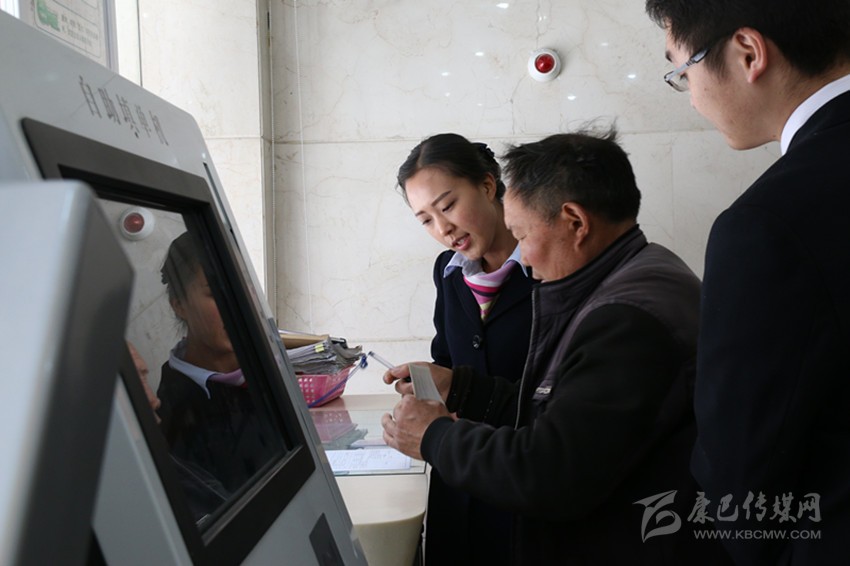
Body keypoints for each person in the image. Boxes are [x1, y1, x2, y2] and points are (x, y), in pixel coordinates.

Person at [382, 128, 730, 565]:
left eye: (524, 236)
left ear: (575, 222)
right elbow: (555, 408)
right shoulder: (636, 274)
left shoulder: (626, 318)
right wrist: (462, 388)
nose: (524, 260)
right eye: (425, 218)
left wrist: (433, 436)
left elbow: (552, 470)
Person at [645, 2, 850, 563]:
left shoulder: (765, 226)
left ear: (748, 53)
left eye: (683, 70)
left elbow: (742, 467)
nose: (691, 97)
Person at [396, 133, 535, 565]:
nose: (443, 229)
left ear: (488, 185)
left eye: (448, 205)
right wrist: (426, 384)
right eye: (426, 220)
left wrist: (459, 386)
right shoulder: (449, 271)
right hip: (457, 478)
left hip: (522, 481)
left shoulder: (546, 266)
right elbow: (447, 358)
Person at [156, 231, 277, 501]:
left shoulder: (272, 371)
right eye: (214, 293)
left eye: (242, 290)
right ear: (179, 305)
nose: (236, 306)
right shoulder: (172, 413)